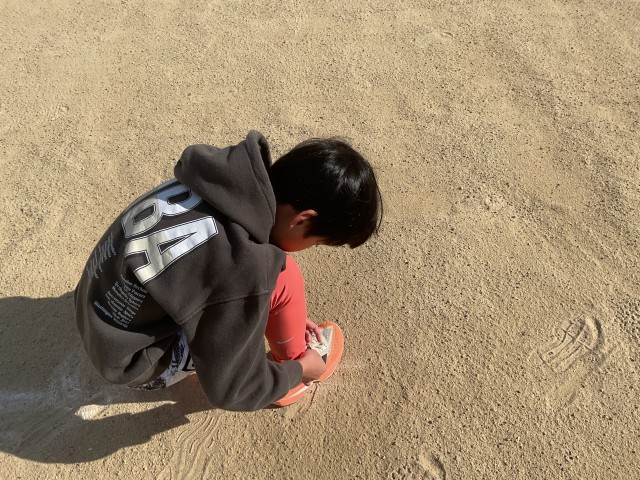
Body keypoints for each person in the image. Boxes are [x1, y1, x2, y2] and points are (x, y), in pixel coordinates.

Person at [74, 131, 382, 411]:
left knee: (260, 282)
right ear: (301, 220)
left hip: (94, 309)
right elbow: (231, 390)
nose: (310, 247)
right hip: (134, 362)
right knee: (282, 276)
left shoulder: (218, 179)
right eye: (315, 242)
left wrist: (262, 309)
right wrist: (297, 371)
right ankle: (294, 362)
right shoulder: (243, 264)